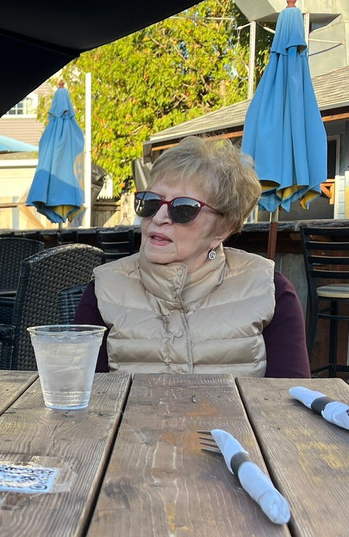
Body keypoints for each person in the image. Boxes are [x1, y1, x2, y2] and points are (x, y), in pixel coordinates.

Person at [73, 136, 310, 378]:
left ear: (222, 230)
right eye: (151, 202)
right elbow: (78, 391)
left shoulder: (269, 290)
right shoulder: (103, 290)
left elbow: (288, 396)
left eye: (183, 208)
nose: (158, 218)